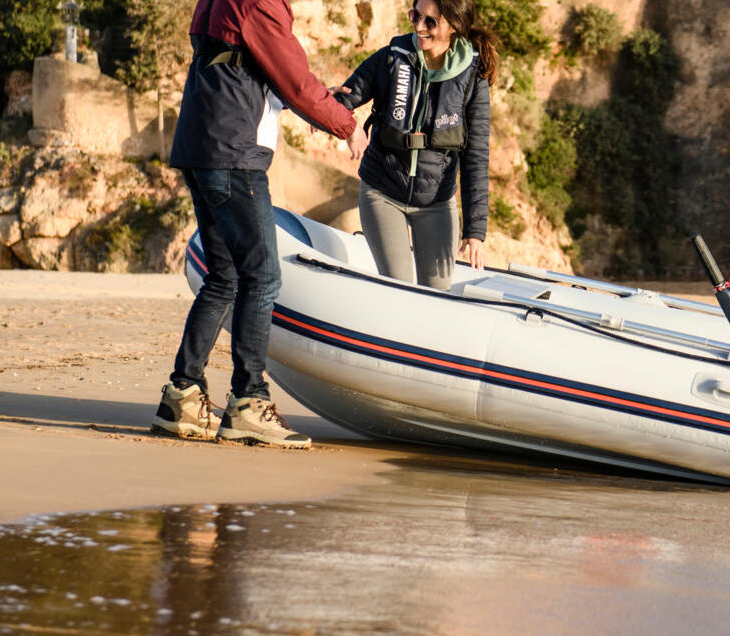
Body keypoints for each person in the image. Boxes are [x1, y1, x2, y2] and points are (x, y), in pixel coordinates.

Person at [153, 0, 357, 448]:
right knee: (262, 278)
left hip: (201, 148)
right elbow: (294, 81)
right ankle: (248, 402)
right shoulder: (258, 2)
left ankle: (182, 395)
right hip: (233, 156)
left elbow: (248, 70)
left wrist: (329, 100)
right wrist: (347, 125)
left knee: (224, 278)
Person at [332, 0, 495, 290]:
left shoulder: (473, 77)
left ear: (454, 25)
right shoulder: (391, 59)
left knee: (438, 292)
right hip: (382, 191)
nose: (419, 27)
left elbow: (476, 156)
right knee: (399, 289)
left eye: (430, 21)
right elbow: (345, 97)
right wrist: (331, 113)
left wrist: (475, 230)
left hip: (437, 203)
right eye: (415, 16)